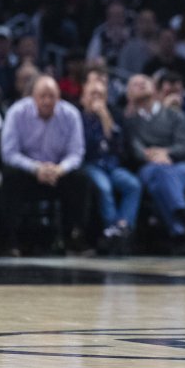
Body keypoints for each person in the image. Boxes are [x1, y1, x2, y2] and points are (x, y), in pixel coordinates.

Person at [0, 75, 90, 255]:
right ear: (32, 97)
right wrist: (35, 168)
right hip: (28, 172)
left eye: (52, 96)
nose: (47, 101)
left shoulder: (71, 114)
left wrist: (60, 169)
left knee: (82, 179)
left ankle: (73, 238)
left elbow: (76, 153)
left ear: (59, 97)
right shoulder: (17, 112)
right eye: (42, 96)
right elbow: (9, 153)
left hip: (57, 172)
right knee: (9, 177)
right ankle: (11, 242)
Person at [122, 74, 185, 247]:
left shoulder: (175, 116)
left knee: (159, 184)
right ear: (128, 94)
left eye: (144, 82)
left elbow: (183, 147)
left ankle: (178, 231)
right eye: (135, 84)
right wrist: (155, 158)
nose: (140, 84)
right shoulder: (130, 123)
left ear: (155, 88)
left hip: (179, 165)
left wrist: (165, 153)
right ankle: (183, 215)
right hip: (148, 167)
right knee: (158, 172)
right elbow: (136, 149)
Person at [79, 76, 142, 250]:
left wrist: (105, 118)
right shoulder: (79, 119)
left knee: (133, 184)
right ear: (83, 98)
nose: (96, 99)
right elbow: (84, 148)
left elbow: (119, 148)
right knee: (104, 187)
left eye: (100, 95)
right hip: (90, 165)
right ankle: (111, 230)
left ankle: (123, 226)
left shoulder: (112, 117)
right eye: (93, 94)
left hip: (111, 166)